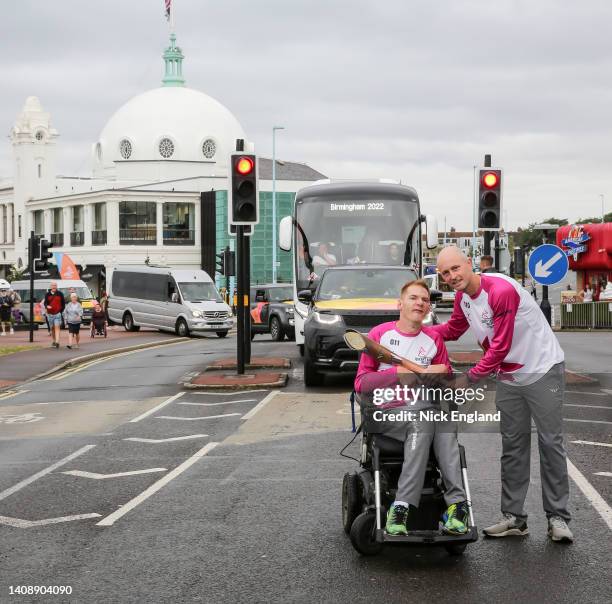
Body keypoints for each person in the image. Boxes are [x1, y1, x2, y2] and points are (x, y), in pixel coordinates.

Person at [433, 246, 573, 543]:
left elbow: (500, 347)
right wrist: (413, 327)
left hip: (542, 369)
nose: (452, 276)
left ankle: (557, 517)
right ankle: (514, 518)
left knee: (550, 443)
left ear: (469, 263)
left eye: (455, 268)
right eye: (445, 273)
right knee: (513, 445)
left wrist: (468, 378)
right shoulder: (462, 298)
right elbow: (453, 330)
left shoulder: (500, 290)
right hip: (508, 377)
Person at [355, 279, 470, 536]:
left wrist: (443, 374)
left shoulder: (433, 340)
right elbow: (361, 383)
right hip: (386, 413)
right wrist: (397, 372)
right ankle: (402, 507)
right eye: (413, 298)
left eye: (425, 299)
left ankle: (456, 507)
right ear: (400, 303)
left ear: (429, 307)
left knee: (443, 422)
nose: (420, 302)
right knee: (424, 420)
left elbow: (447, 385)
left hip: (425, 410)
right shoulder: (379, 336)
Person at [44, 281, 66, 348]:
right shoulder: (47, 294)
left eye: (55, 285)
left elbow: (63, 304)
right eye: (53, 285)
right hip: (50, 314)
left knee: (57, 327)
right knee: (52, 328)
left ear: (57, 286)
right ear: (50, 287)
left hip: (57, 314)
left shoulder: (60, 294)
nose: (54, 286)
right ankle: (54, 340)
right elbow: (45, 303)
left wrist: (60, 311)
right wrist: (47, 306)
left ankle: (57, 342)